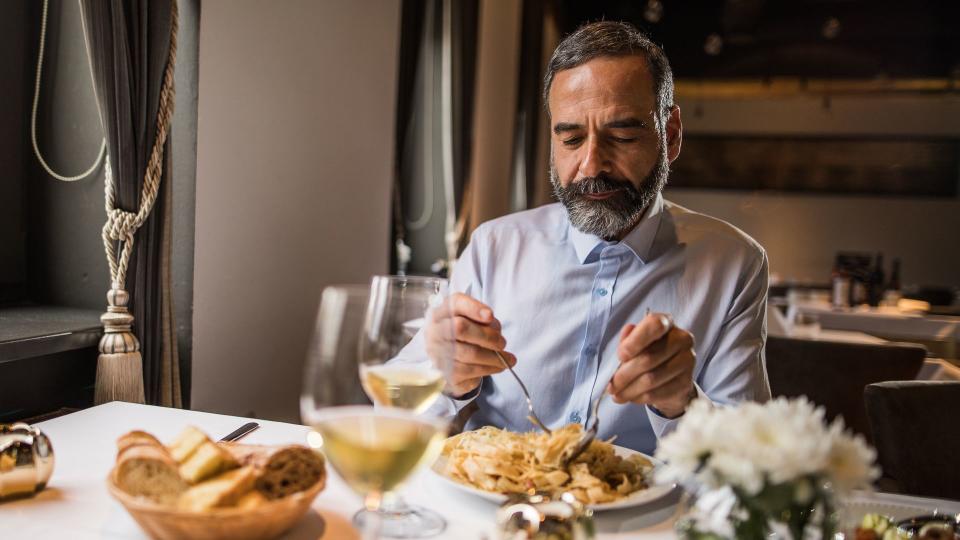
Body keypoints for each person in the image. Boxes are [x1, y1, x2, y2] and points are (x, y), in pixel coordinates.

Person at [423, 21, 770, 453]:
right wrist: (448, 386)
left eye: (622, 135)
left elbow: (755, 466)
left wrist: (683, 406)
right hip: (492, 511)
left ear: (672, 135)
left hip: (641, 519)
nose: (591, 165)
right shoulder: (493, 248)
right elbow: (394, 426)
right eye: (570, 138)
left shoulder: (733, 263)